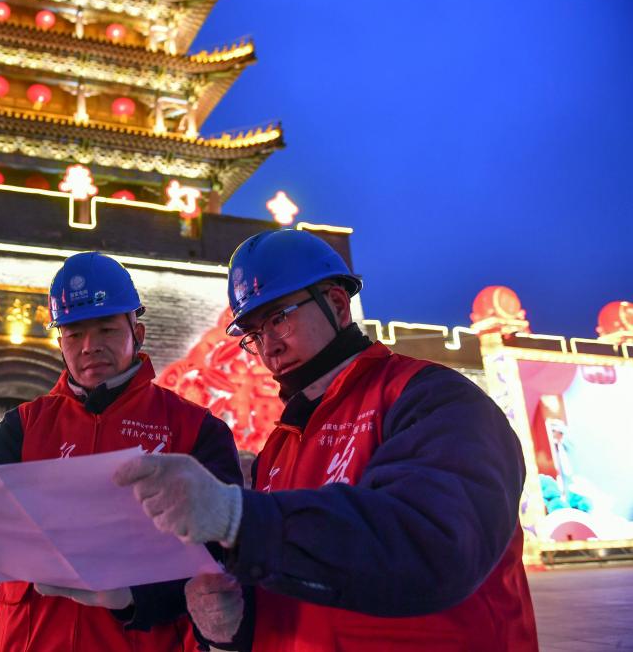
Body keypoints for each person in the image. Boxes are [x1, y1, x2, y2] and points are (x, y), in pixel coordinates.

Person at [114, 228, 539, 651]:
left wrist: (237, 516)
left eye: (278, 318)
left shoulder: (432, 400)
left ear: (337, 304)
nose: (269, 347)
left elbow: (435, 545)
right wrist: (232, 626)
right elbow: (291, 583)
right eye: (254, 335)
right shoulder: (278, 447)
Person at [0, 251, 243, 652]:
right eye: (74, 334)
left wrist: (137, 597)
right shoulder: (24, 426)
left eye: (106, 329)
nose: (90, 346)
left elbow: (225, 556)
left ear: (138, 333)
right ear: (60, 342)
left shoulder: (196, 430)